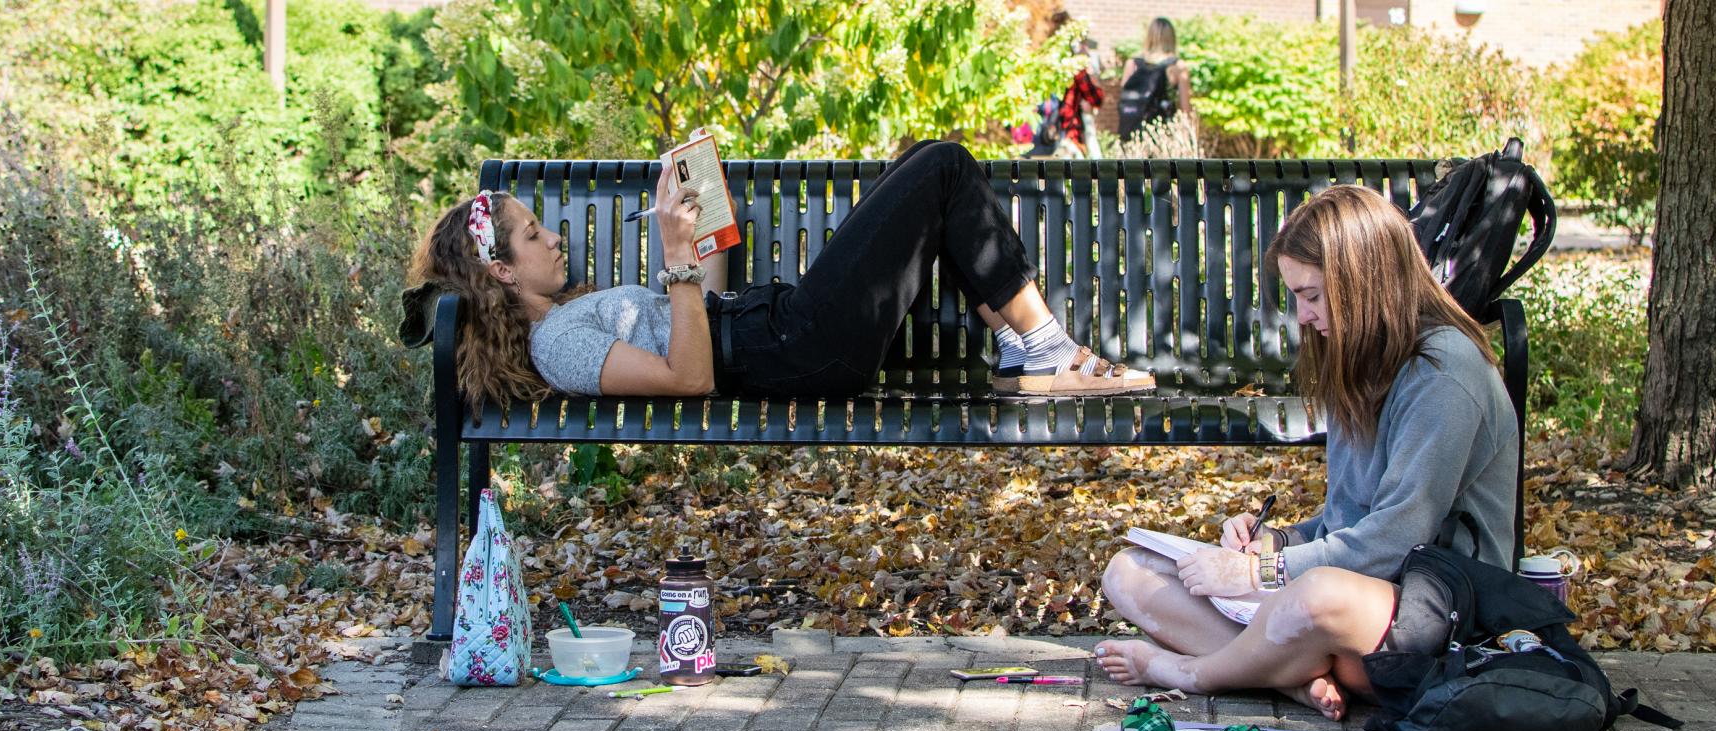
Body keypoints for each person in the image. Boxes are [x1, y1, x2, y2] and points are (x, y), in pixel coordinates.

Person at [1091, 184, 1520, 721]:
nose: (1303, 315)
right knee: (1130, 572)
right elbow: (1350, 520)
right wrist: (1278, 538)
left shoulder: (1443, 375)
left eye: (1313, 296)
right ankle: (1290, 678)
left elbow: (1397, 538)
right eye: (1296, 296)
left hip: (1432, 622)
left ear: (1367, 285)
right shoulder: (1363, 360)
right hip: (1345, 611)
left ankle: (1190, 671)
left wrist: (1258, 575)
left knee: (1313, 595)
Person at [397, 140, 1155, 405]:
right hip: (796, 346)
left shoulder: (569, 316)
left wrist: (699, 205)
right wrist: (674, 263)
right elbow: (693, 379)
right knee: (943, 167)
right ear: (500, 271)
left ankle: (1028, 348)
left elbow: (707, 308)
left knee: (926, 162)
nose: (555, 239)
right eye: (533, 236)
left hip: (784, 328)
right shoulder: (556, 345)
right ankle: (1042, 349)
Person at [1116, 17, 1196, 141]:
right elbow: (1185, 108)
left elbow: (1124, 97)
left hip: (1133, 132)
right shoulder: (1177, 66)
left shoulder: (1132, 63)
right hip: (1163, 133)